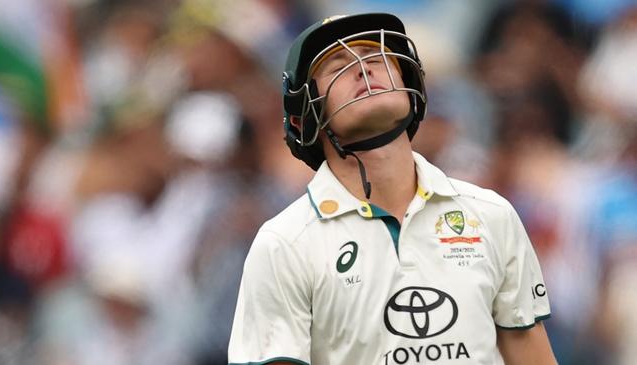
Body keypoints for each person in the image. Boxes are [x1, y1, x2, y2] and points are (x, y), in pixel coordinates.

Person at [228, 13, 557, 365]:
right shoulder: (285, 244)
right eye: (338, 65)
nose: (363, 69)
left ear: (409, 80)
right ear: (303, 116)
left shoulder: (491, 214)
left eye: (376, 57)